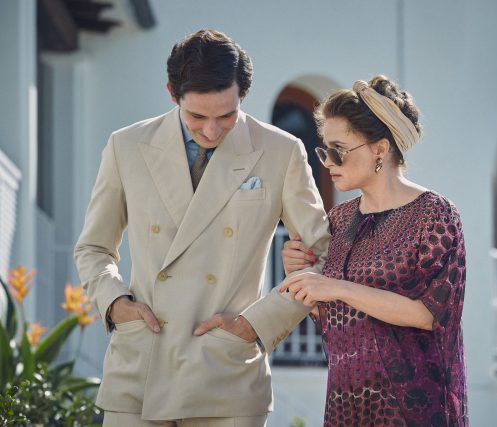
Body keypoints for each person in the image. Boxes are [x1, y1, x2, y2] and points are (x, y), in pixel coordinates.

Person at [74, 29, 330, 426]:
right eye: (197, 116)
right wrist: (115, 304)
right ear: (171, 92)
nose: (211, 131)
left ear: (242, 96)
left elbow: (323, 257)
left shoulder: (281, 151)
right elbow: (93, 248)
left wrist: (255, 325)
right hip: (140, 367)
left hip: (226, 370)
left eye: (226, 116)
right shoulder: (126, 146)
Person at [280, 76, 468, 426]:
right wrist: (300, 274)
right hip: (346, 406)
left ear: (380, 150)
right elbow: (332, 315)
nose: (328, 162)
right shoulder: (337, 220)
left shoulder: (435, 214)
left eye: (338, 150)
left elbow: (431, 314)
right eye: (324, 150)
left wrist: (334, 286)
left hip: (414, 410)